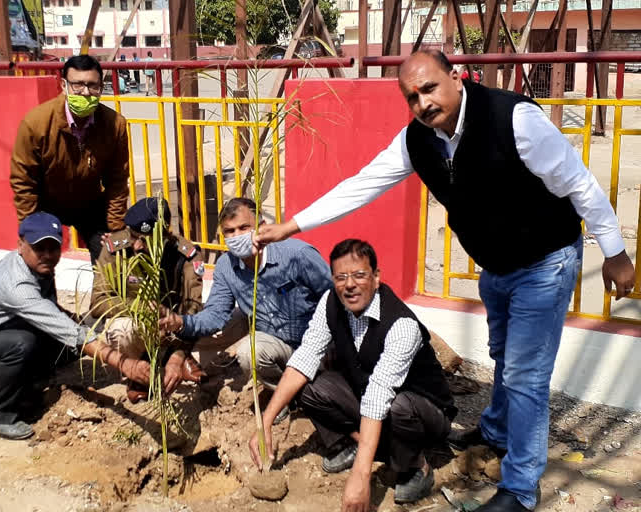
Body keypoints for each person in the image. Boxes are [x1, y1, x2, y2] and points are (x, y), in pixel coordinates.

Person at [255, 50, 636, 512]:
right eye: (412, 97)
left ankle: (519, 488)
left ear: (456, 78)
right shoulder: (418, 140)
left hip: (545, 260)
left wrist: (614, 252)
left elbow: (579, 183)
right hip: (497, 266)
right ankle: (495, 430)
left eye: (430, 88)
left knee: (525, 375)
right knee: (503, 357)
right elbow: (361, 184)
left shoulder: (513, 119)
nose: (423, 103)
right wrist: (291, 226)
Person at [249, 239, 456, 509]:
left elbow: (379, 394)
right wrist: (265, 422)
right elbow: (305, 357)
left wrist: (361, 475)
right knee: (307, 385)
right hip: (370, 395)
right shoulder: (331, 302)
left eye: (359, 275)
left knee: (397, 406)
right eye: (341, 277)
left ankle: (416, 464)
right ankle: (359, 443)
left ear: (376, 277)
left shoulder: (402, 326)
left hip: (425, 412)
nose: (349, 285)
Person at [0, 212, 144, 441]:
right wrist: (123, 363)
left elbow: (53, 312)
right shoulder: (16, 284)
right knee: (24, 344)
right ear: (21, 245)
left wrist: (87, 327)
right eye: (39, 249)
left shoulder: (39, 268)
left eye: (53, 248)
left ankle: (27, 386)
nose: (47, 256)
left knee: (68, 345)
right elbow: (67, 329)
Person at [159, 197, 332, 423]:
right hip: (277, 344)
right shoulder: (226, 267)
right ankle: (286, 395)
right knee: (249, 352)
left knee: (329, 387)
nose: (236, 236)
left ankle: (308, 391)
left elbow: (333, 297)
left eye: (243, 228)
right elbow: (215, 315)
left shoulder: (296, 255)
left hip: (317, 344)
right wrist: (180, 322)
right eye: (229, 231)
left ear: (260, 226)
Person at [10, 54, 129, 264]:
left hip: (90, 203)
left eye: (93, 86)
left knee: (112, 258)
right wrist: (30, 226)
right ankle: (42, 296)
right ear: (64, 85)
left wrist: (116, 226)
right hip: (47, 203)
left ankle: (104, 296)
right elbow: (23, 181)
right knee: (40, 262)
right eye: (78, 85)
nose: (85, 93)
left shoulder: (114, 125)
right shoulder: (36, 124)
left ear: (101, 87)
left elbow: (117, 180)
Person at [89, 197, 207, 401]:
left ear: (165, 235)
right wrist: (142, 307)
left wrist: (179, 353)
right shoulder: (115, 249)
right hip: (138, 327)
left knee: (213, 322)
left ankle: (173, 358)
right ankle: (141, 370)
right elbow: (98, 303)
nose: (136, 245)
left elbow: (193, 308)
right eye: (133, 236)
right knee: (120, 330)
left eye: (146, 240)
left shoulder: (185, 255)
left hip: (173, 328)